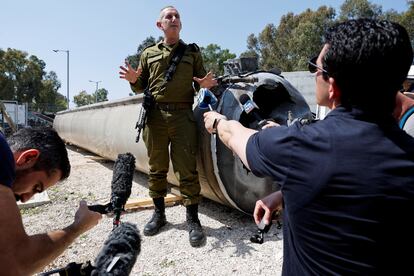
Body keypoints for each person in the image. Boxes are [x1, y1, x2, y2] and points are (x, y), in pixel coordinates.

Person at [204, 19, 414, 274]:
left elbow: (236, 136)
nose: (314, 73)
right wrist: (284, 195)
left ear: (333, 86)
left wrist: (218, 122)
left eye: (316, 67)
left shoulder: (299, 147)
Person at [119, 6, 216, 247]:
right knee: (157, 167)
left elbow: (201, 81)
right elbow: (140, 85)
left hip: (183, 116)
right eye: (168, 16)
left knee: (187, 169)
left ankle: (193, 220)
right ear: (159, 25)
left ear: (180, 24)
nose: (173, 19)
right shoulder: (148, 53)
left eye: (177, 16)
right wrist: (133, 80)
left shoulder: (192, 52)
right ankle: (159, 214)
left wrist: (204, 83)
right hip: (155, 118)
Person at [0, 127, 102, 275]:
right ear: (28, 158)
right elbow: (16, 262)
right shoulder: (2, 157)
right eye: (36, 187)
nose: (25, 198)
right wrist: (78, 227)